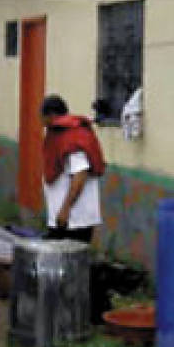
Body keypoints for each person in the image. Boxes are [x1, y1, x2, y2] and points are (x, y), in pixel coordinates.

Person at [40, 94, 106, 243]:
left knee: (69, 262)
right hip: (65, 219)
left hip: (74, 219)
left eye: (42, 117)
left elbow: (80, 174)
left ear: (51, 115)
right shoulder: (59, 133)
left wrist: (65, 208)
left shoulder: (72, 136)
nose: (41, 122)